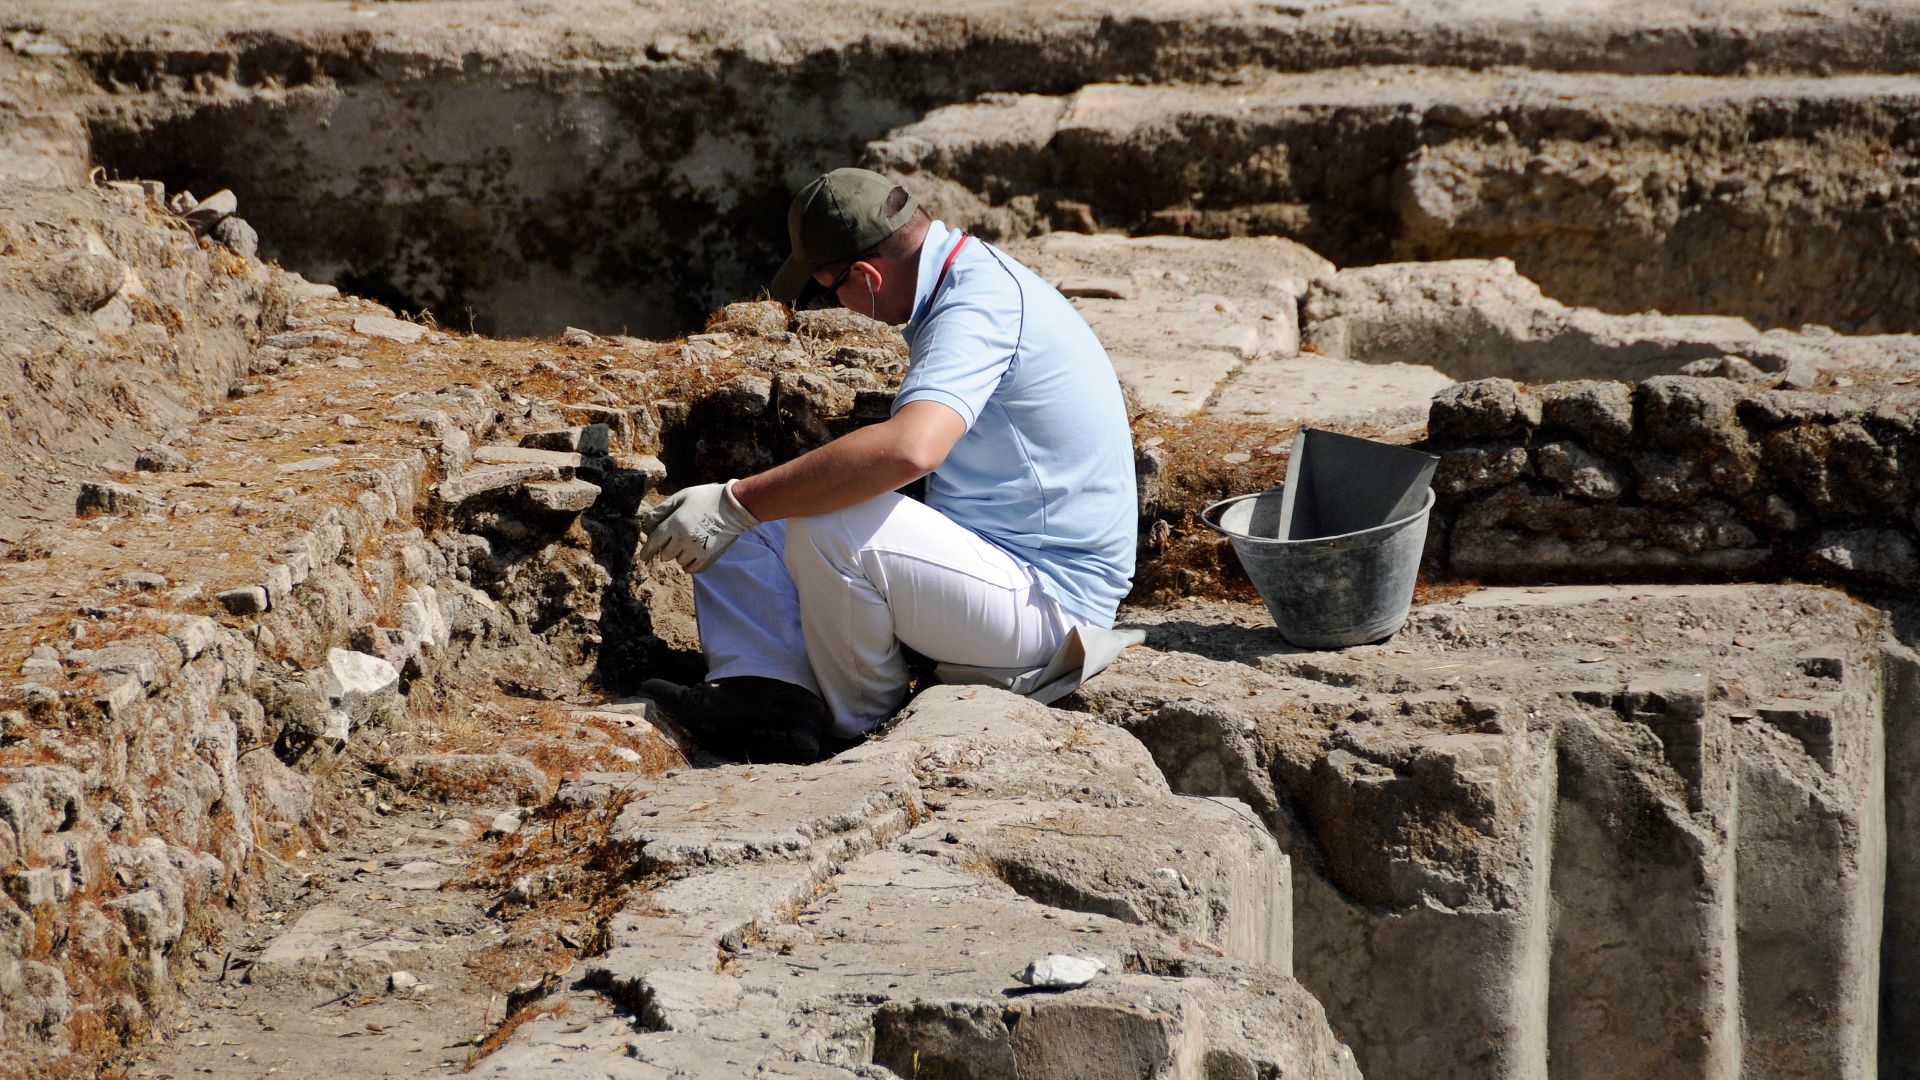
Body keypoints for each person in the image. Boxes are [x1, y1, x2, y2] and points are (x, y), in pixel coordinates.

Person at [636, 167, 1136, 762]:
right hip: (1003, 569)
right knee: (770, 502)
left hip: (1052, 603)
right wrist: (738, 502)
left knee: (822, 521)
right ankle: (769, 696)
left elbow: (911, 449)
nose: (835, 305)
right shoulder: (964, 281)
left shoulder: (977, 306)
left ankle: (862, 728)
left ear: (867, 276)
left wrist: (738, 502)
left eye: (829, 289)